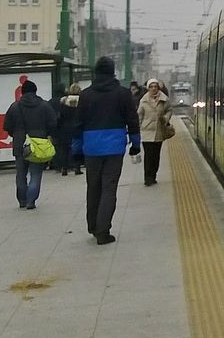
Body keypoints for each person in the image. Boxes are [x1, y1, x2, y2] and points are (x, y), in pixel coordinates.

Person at [74, 57, 140, 244]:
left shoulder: (85, 95)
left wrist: (77, 149)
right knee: (109, 188)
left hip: (91, 147)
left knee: (93, 187)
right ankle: (103, 231)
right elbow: (132, 121)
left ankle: (93, 225)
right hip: (114, 147)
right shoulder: (123, 94)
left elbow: (77, 124)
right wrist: (135, 144)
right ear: (112, 72)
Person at [2, 78, 57, 210]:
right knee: (36, 174)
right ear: (35, 91)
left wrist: (16, 134)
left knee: (21, 174)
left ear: (22, 92)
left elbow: (7, 126)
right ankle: (31, 201)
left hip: (20, 144)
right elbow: (53, 123)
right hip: (38, 144)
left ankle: (22, 200)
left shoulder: (14, 106)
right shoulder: (44, 105)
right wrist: (45, 133)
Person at [137, 78, 175, 186]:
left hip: (159, 131)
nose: (153, 89)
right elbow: (139, 115)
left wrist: (166, 118)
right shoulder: (143, 101)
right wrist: (137, 128)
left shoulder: (164, 99)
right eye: (151, 87)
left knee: (156, 155)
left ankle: (153, 175)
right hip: (146, 131)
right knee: (148, 155)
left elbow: (169, 110)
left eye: (155, 87)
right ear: (148, 88)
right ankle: (147, 178)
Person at [52, 83, 83, 176]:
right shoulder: (82, 101)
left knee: (64, 149)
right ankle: (77, 167)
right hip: (77, 127)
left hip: (65, 128)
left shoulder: (64, 101)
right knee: (77, 148)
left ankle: (64, 169)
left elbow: (60, 116)